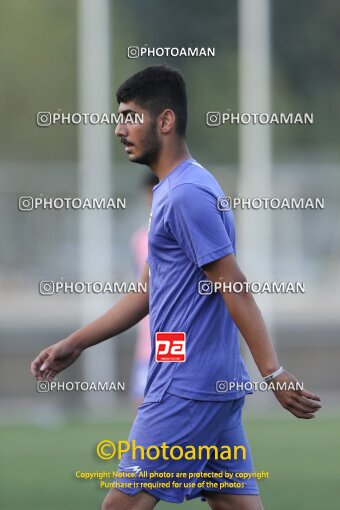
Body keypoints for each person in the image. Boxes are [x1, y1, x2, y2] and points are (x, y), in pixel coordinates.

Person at [31, 65, 322, 510]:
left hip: (187, 388)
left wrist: (273, 372)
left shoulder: (185, 194)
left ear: (164, 121)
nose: (118, 128)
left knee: (119, 507)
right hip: (212, 385)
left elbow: (234, 284)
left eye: (130, 115)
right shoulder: (181, 189)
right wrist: (76, 342)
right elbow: (147, 291)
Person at [129, 173, 158, 410]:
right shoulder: (139, 239)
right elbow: (142, 289)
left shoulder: (182, 229)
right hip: (146, 335)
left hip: (174, 335)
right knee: (142, 405)